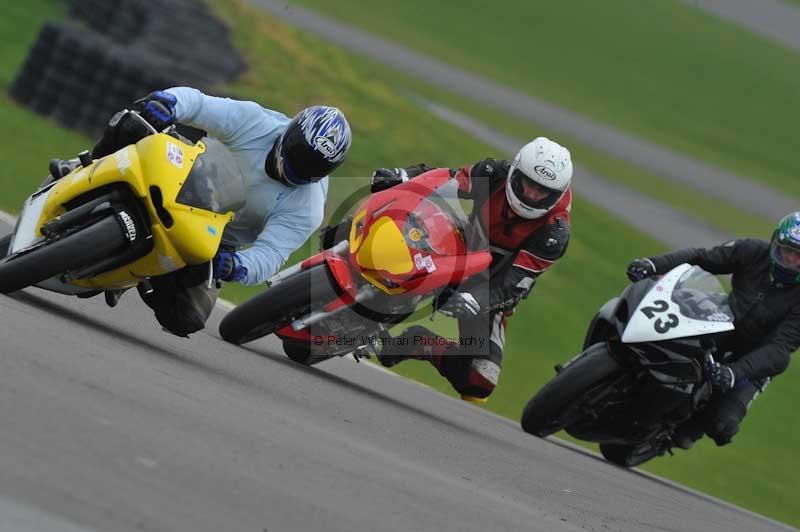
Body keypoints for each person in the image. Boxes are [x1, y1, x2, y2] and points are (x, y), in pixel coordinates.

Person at [52, 88, 352, 336]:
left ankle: (138, 275)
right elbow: (199, 104)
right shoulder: (256, 122)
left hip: (212, 239)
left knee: (187, 318)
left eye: (312, 167)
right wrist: (170, 103)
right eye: (299, 155)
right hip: (182, 178)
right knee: (134, 121)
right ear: (290, 133)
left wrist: (237, 266)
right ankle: (83, 168)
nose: (299, 168)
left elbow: (270, 254)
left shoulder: (308, 207)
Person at [369, 137, 573, 402]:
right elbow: (447, 179)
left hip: (489, 291)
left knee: (480, 381)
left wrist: (476, 300)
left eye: (542, 191)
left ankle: (419, 343)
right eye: (528, 184)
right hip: (455, 251)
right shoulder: (494, 173)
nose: (532, 195)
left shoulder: (554, 233)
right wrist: (403, 176)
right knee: (396, 237)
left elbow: (514, 284)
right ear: (516, 172)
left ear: (557, 193)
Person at [626, 212, 800, 448]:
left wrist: (734, 373)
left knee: (722, 425)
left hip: (753, 359)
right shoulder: (751, 251)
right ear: (775, 242)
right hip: (720, 323)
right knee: (663, 338)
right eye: (787, 250)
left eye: (799, 256)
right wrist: (653, 264)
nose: (790, 259)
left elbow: (780, 350)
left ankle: (678, 432)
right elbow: (700, 258)